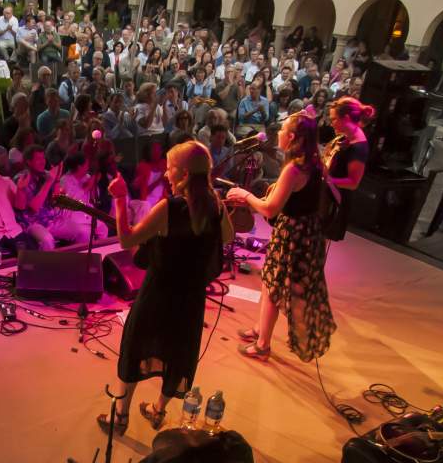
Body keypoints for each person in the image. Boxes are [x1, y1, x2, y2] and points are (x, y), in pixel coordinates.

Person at [98, 141, 234, 434]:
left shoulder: (168, 209)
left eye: (170, 168)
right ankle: (158, 411)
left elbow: (126, 240)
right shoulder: (215, 206)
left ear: (183, 173)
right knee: (178, 351)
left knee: (135, 346)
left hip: (157, 293)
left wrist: (121, 199)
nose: (166, 174)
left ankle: (120, 416)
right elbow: (227, 237)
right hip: (190, 298)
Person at [226, 112, 336, 362]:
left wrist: (244, 196)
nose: (278, 133)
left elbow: (269, 209)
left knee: (274, 288)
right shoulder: (316, 162)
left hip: (292, 235)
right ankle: (260, 330)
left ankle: (263, 345)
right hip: (305, 231)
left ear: (293, 137)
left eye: (283, 129)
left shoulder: (294, 169)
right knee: (269, 283)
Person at [322, 97, 374, 240]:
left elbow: (353, 183)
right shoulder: (345, 137)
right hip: (325, 197)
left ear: (345, 118)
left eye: (333, 119)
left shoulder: (359, 147)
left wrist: (326, 180)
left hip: (334, 202)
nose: (331, 123)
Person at [15, 146, 63, 250]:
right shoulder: (22, 178)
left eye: (43, 158)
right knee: (47, 241)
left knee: (84, 231)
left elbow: (55, 201)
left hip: (51, 219)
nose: (42, 162)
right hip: (33, 223)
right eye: (38, 159)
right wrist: (49, 182)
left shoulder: (45, 175)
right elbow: (34, 208)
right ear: (29, 162)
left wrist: (57, 179)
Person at [55, 152, 109, 244]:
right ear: (79, 167)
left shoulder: (86, 177)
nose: (88, 167)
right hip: (73, 216)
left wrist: (94, 184)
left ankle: (100, 254)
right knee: (86, 234)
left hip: (88, 214)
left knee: (103, 228)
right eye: (86, 164)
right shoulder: (65, 180)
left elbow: (94, 198)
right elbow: (71, 201)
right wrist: (87, 187)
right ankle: (86, 257)